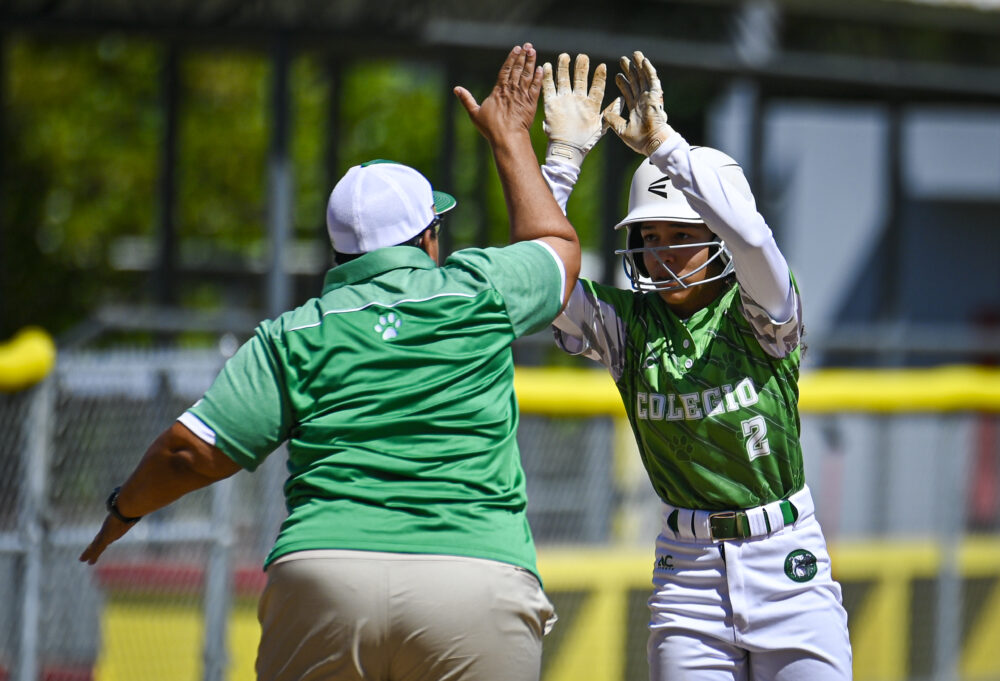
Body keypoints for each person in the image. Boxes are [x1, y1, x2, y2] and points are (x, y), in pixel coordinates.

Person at [80, 43, 581, 681]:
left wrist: (123, 513)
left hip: (326, 573)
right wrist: (511, 138)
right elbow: (557, 248)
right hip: (474, 574)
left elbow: (189, 453)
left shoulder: (293, 333)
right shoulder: (478, 289)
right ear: (429, 237)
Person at [539, 50, 852, 679]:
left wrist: (666, 147)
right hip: (687, 572)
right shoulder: (630, 327)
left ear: (713, 232)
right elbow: (536, 277)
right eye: (648, 239)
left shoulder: (760, 312)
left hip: (787, 557)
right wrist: (561, 164)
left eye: (678, 234)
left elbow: (754, 239)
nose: (660, 254)